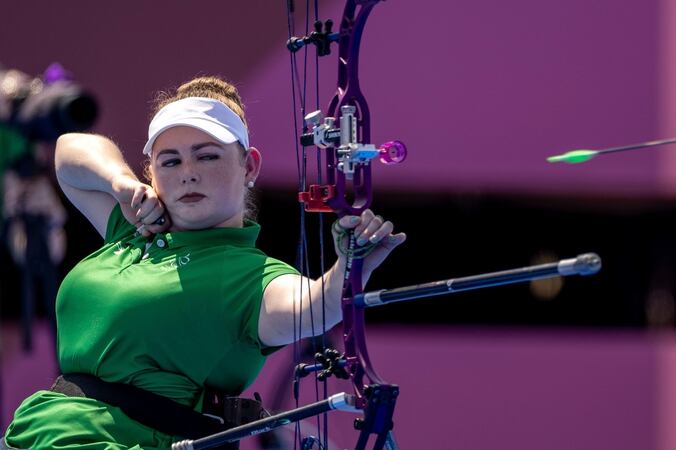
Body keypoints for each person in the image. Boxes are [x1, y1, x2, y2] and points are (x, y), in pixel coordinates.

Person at [2, 76, 406, 450]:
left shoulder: (249, 275)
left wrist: (351, 266)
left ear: (249, 166)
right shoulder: (132, 228)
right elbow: (69, 150)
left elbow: (314, 307)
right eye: (171, 161)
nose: (188, 175)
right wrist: (122, 185)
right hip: (33, 433)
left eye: (207, 157)